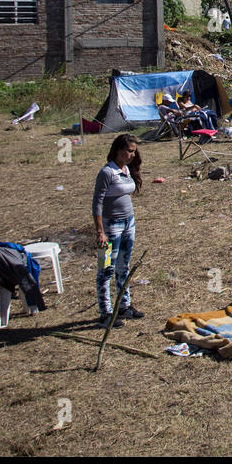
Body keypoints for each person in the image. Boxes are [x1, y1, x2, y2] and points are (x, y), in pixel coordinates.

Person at [93, 134, 143, 327]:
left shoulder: (126, 170)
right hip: (111, 225)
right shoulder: (107, 173)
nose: (132, 155)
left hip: (128, 223)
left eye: (134, 151)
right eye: (129, 151)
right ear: (117, 150)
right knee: (107, 268)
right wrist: (100, 231)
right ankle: (105, 312)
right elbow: (97, 203)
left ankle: (124, 305)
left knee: (124, 265)